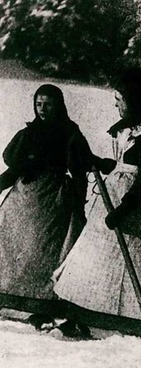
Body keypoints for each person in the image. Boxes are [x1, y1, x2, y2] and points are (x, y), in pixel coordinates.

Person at [53, 68, 141, 340]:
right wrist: (98, 163)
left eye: (120, 99)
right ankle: (84, 315)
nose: (116, 105)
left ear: (134, 99)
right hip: (114, 198)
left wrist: (125, 209)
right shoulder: (128, 129)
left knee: (137, 262)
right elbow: (122, 165)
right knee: (96, 258)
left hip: (140, 204)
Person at [0, 84, 115, 332]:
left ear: (59, 105)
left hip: (51, 200)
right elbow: (14, 166)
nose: (42, 109)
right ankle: (10, 299)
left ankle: (43, 307)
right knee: (12, 248)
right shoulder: (28, 134)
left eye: (48, 104)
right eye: (39, 104)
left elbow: (82, 160)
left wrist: (100, 165)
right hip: (23, 199)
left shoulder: (69, 132)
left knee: (44, 252)